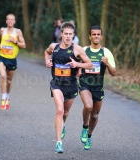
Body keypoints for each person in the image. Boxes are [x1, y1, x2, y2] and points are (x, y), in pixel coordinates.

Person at [45, 22, 93, 153]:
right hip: (56, 84)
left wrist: (77, 64)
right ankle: (58, 143)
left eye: (70, 34)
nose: (67, 36)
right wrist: (47, 61)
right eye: (65, 34)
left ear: (73, 35)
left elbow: (90, 65)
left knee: (65, 112)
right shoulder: (54, 47)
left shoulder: (77, 49)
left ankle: (62, 125)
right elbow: (46, 52)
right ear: (61, 34)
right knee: (59, 110)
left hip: (71, 85)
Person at [79, 25, 116, 150]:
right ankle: (84, 127)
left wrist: (106, 63)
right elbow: (73, 61)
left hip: (98, 87)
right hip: (84, 83)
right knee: (88, 106)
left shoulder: (106, 52)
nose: (96, 36)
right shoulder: (84, 50)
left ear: (101, 37)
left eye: (98, 34)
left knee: (94, 115)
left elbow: (114, 72)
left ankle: (89, 136)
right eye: (93, 34)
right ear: (89, 36)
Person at [0, 13, 26, 110]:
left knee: (9, 81)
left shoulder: (18, 32)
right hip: (2, 57)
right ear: (6, 21)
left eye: (12, 19)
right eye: (8, 19)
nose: (10, 21)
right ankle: (3, 97)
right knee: (3, 76)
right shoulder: (2, 30)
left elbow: (24, 45)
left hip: (12, 59)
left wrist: (15, 41)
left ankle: (8, 96)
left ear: (14, 21)